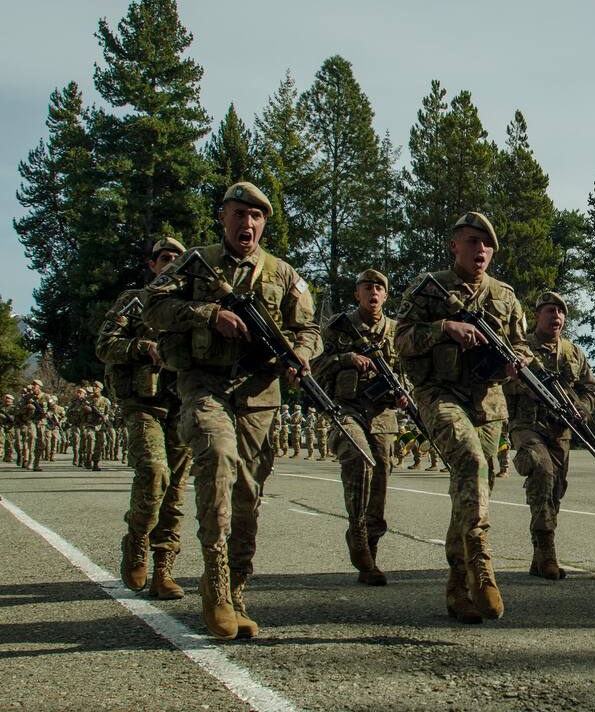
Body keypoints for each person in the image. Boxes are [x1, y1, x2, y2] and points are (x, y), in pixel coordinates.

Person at [144, 181, 321, 640]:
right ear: (223, 217)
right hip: (204, 385)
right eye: (239, 214)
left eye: (256, 216)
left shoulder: (283, 275)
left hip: (258, 396)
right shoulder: (193, 263)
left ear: (265, 223)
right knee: (218, 458)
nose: (248, 223)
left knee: (248, 492)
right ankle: (216, 585)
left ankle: (236, 587)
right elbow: (153, 307)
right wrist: (208, 314)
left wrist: (301, 355)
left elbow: (310, 329)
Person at [395, 212, 531, 623]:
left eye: (487, 245)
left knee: (474, 486)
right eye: (473, 242)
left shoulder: (504, 296)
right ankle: (482, 563)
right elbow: (400, 340)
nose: (481, 250)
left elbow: (522, 346)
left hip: (488, 405)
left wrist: (517, 363)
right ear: (455, 245)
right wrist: (443, 328)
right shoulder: (428, 288)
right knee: (471, 463)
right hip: (440, 394)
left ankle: (458, 587)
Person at [96, 235, 192, 597]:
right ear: (152, 265)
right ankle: (136, 538)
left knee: (177, 492)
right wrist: (143, 347)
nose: (169, 264)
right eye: (163, 258)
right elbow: (105, 345)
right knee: (154, 473)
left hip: (181, 404)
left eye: (176, 259)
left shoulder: (191, 304)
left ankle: (163, 570)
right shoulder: (133, 301)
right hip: (142, 404)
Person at [314, 269, 405, 585]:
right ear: (358, 294)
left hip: (382, 415)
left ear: (386, 295)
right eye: (368, 287)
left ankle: (370, 551)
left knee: (379, 476)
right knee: (360, 460)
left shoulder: (395, 331)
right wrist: (345, 359)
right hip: (346, 409)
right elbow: (313, 367)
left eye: (380, 287)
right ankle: (357, 530)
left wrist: (401, 392)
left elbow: (407, 369)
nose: (374, 292)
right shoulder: (339, 328)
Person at [504, 291, 595, 580]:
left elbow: (591, 388)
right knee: (542, 471)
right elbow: (501, 382)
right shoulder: (521, 349)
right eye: (550, 311)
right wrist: (527, 387)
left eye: (560, 312)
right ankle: (547, 552)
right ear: (537, 315)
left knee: (555, 489)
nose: (556, 316)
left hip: (560, 432)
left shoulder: (572, 352)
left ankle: (539, 555)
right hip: (527, 426)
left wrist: (583, 409)